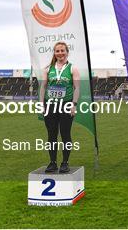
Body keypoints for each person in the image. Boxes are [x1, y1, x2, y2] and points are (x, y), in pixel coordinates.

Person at [39, 42, 80, 174]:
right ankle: (52, 163)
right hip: (50, 105)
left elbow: (77, 88)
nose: (60, 53)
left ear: (67, 52)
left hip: (66, 105)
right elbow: (43, 87)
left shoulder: (73, 68)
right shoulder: (47, 69)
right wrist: (41, 104)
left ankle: (65, 162)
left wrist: (74, 104)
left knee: (65, 134)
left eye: (62, 50)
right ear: (54, 53)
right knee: (51, 135)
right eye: (57, 51)